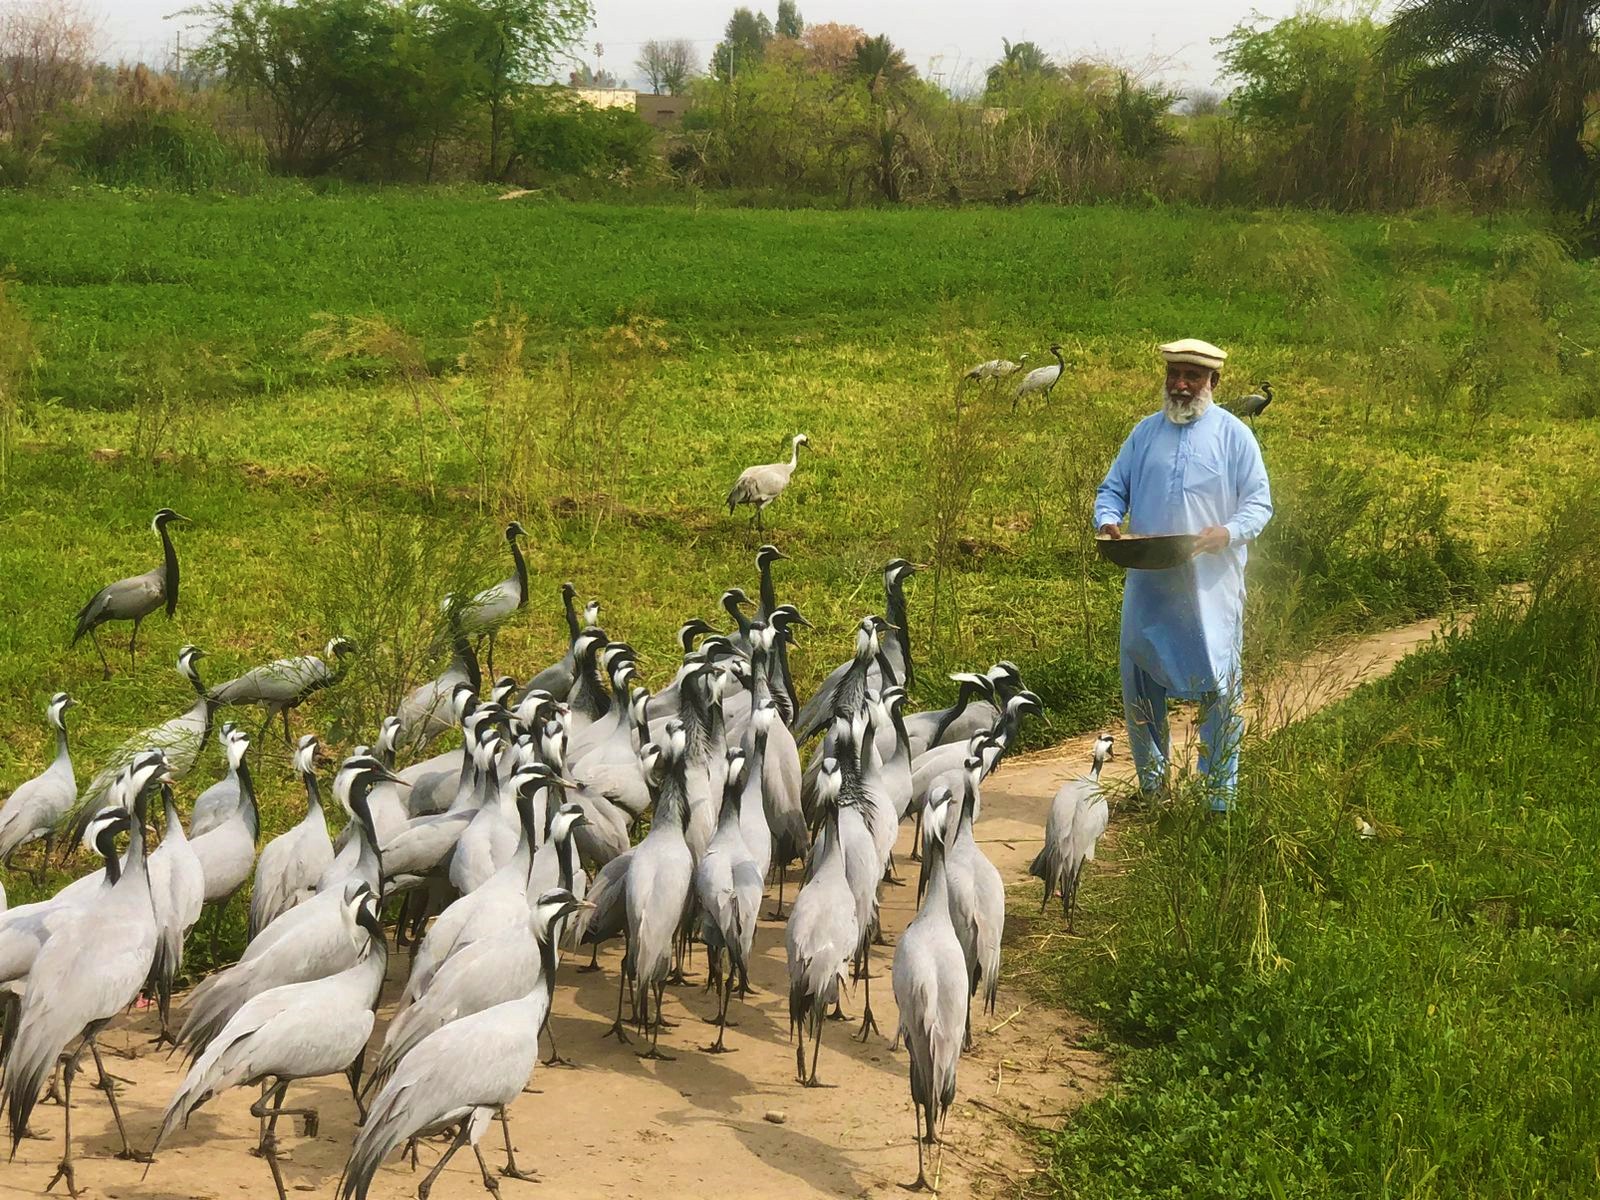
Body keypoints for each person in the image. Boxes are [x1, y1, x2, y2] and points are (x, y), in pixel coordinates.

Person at [1093, 339, 1273, 811]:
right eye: (1174, 374)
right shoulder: (1145, 433)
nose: (1180, 385)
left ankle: (1218, 796)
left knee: (1220, 681)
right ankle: (1153, 788)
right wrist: (1108, 520)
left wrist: (1230, 531)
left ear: (1213, 382)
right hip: (1150, 579)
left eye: (1192, 376)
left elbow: (1259, 503)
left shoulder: (1235, 436)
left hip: (1210, 584)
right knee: (1140, 675)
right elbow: (1112, 490)